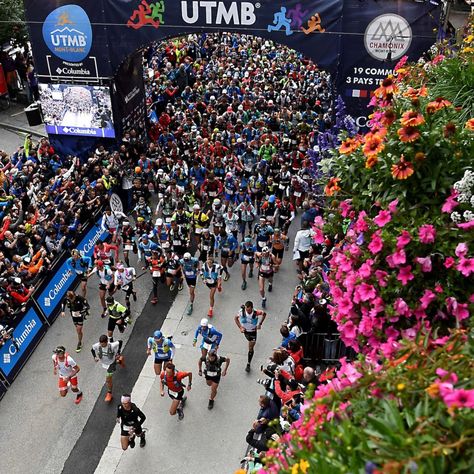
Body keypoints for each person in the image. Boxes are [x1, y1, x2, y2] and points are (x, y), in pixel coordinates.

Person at [234, 301, 266, 372]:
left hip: (252, 332)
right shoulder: (241, 312)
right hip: (245, 331)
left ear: (252, 308)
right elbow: (236, 319)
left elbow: (264, 314)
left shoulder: (256, 312)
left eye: (248, 310)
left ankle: (248, 363)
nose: (247, 311)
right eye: (246, 309)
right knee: (249, 343)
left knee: (251, 347)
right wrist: (240, 327)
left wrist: (260, 324)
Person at [91, 334, 124, 403]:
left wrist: (118, 352)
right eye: (100, 343)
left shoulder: (112, 345)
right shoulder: (98, 345)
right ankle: (119, 361)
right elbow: (92, 349)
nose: (101, 345)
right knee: (116, 363)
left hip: (111, 363)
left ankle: (109, 393)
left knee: (108, 379)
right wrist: (94, 357)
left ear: (106, 342)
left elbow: (120, 341)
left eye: (103, 344)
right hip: (104, 363)